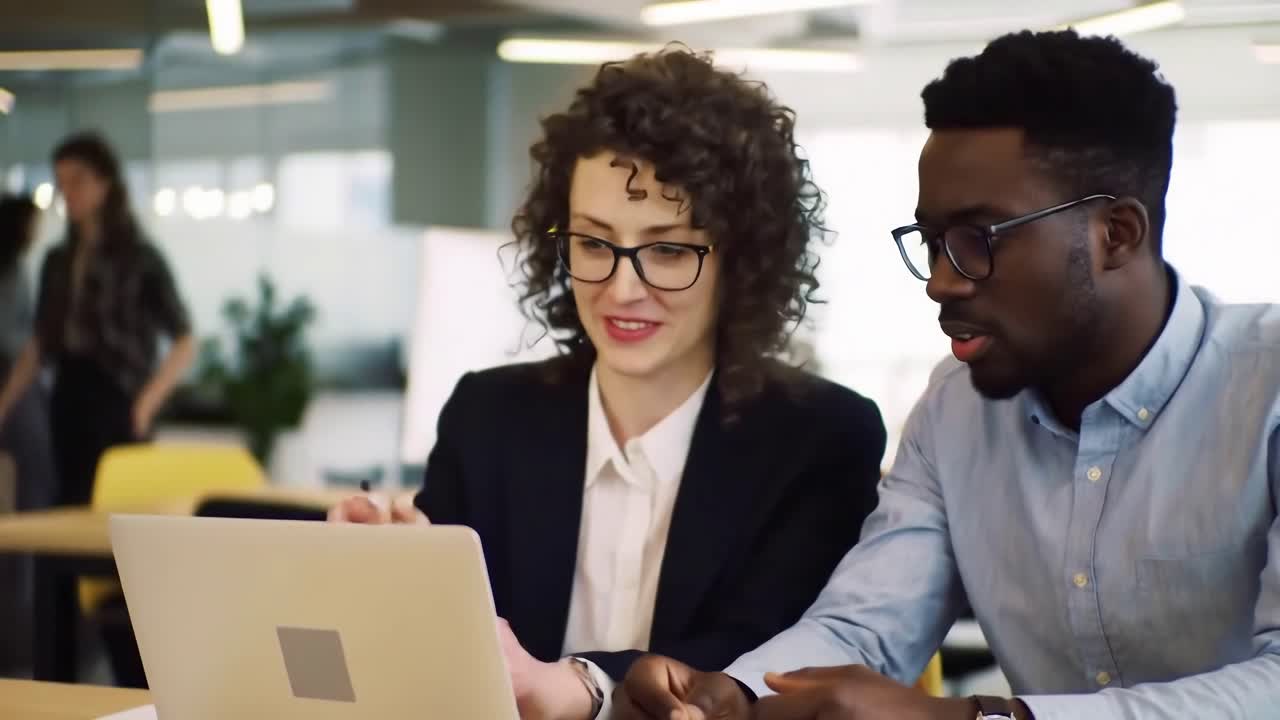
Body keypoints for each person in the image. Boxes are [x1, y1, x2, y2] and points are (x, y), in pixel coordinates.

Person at [614, 29, 1280, 720]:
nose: (939, 282)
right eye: (932, 243)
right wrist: (738, 694)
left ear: (1116, 234)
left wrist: (974, 719)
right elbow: (866, 626)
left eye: (977, 241)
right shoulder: (955, 407)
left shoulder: (1266, 390)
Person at [329, 47, 886, 720]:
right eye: (594, 244)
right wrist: (390, 566)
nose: (623, 289)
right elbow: (453, 656)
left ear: (742, 258)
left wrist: (583, 685)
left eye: (669, 250)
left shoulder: (819, 438)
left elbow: (764, 651)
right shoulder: (489, 415)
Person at [0, 133, 195, 508]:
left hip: (119, 393)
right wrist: (6, 402)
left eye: (77, 181)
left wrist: (146, 405)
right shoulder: (57, 260)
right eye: (61, 184)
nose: (68, 193)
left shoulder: (139, 257)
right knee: (65, 504)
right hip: (69, 395)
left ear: (104, 182)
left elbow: (184, 339)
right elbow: (40, 342)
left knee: (117, 510)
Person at [0, 193, 56, 511]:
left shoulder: (18, 268)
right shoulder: (11, 272)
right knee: (35, 478)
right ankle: (31, 557)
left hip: (18, 377)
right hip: (15, 378)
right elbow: (13, 337)